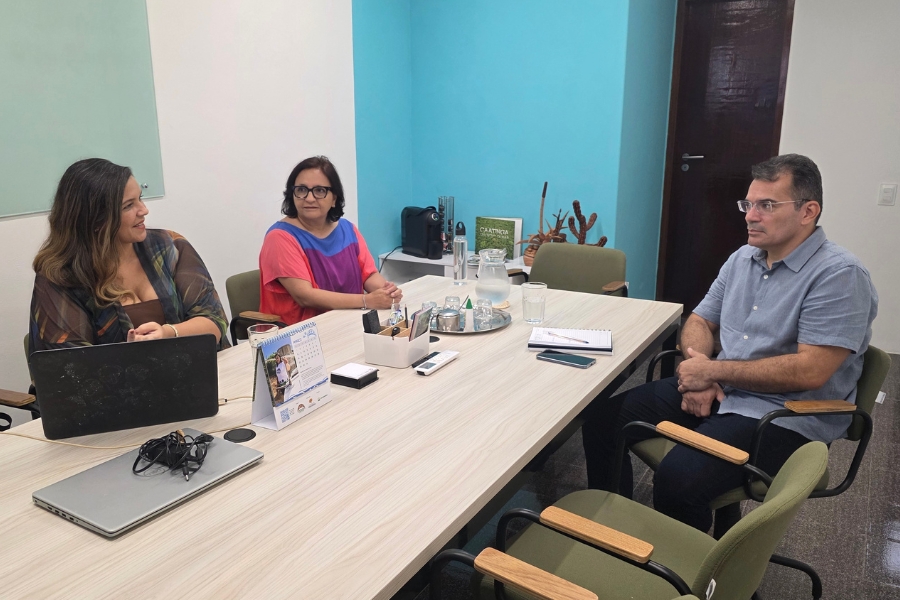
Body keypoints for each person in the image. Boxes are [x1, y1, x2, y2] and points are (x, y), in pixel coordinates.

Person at [581, 154, 878, 532]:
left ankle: (695, 576)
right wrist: (702, 373)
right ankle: (611, 534)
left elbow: (811, 370)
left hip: (786, 415)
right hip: (725, 386)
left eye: (767, 205)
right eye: (748, 204)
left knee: (678, 480)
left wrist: (712, 371)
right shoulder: (743, 258)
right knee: (603, 422)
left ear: (808, 212)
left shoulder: (840, 274)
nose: (750, 215)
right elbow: (700, 320)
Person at [30, 158, 229, 353]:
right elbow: (71, 365)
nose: (144, 210)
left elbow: (214, 320)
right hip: (117, 385)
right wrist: (130, 356)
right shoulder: (60, 277)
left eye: (140, 198)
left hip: (196, 373)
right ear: (95, 220)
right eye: (128, 206)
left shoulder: (168, 246)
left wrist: (169, 333)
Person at [258, 156, 401, 325]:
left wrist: (386, 292)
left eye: (319, 190)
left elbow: (368, 275)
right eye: (302, 190)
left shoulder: (348, 229)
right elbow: (305, 296)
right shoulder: (280, 237)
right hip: (298, 336)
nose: (309, 198)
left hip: (348, 322)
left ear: (334, 198)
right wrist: (366, 301)